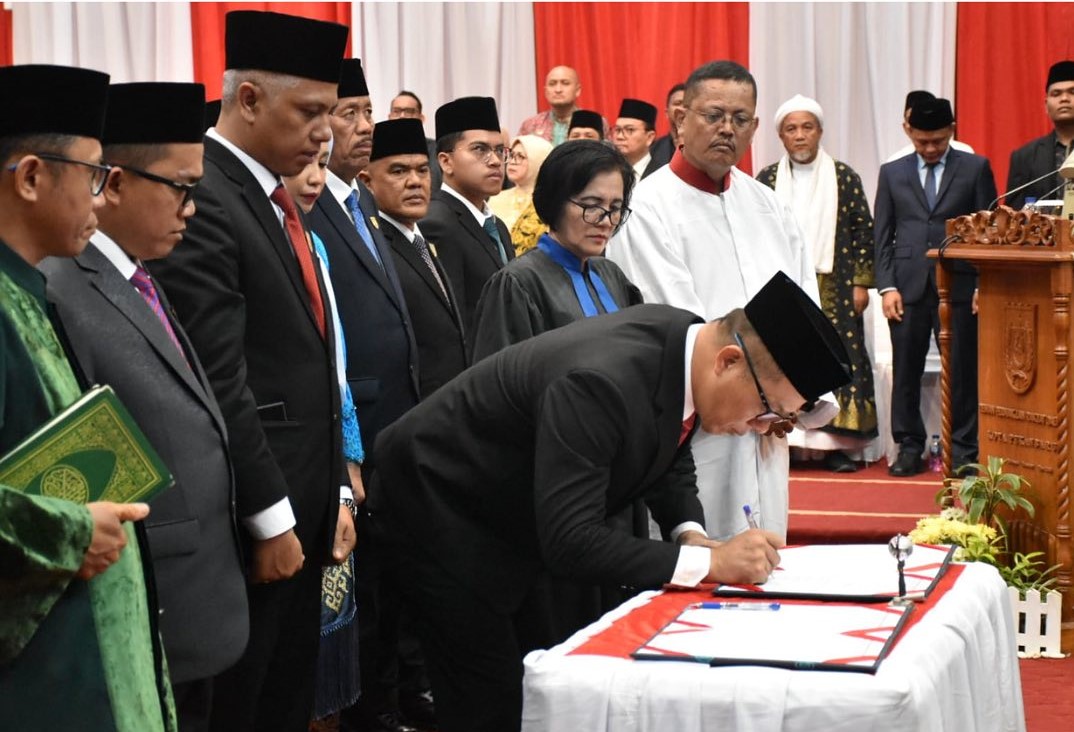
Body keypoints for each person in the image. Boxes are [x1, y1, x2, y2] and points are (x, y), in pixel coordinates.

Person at [367, 271, 852, 732]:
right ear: (728, 361)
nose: (758, 429)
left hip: (517, 507)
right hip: (439, 501)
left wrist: (691, 534)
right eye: (767, 411)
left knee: (550, 674)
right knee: (492, 700)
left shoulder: (685, 346)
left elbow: (668, 440)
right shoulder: (600, 382)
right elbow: (570, 541)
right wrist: (712, 563)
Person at [147, 11, 356, 731]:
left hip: (304, 507)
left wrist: (332, 491)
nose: (325, 133)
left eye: (330, 114)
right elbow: (219, 376)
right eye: (310, 112)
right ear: (249, 99)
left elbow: (308, 365)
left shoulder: (269, 194)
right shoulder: (205, 195)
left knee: (287, 702)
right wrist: (270, 518)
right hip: (252, 518)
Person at [39, 81, 247, 732]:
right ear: (116, 182)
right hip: (144, 589)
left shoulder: (137, 272)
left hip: (195, 591)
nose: (192, 208)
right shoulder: (62, 287)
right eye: (180, 188)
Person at [0, 63, 174, 732]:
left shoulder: (28, 289)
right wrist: (71, 531)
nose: (102, 199)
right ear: (31, 177)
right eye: (94, 174)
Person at [607, 60, 831, 542]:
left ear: (755, 126)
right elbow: (681, 327)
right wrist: (763, 399)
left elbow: (804, 309)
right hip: (699, 432)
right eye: (713, 115)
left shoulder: (770, 206)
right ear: (680, 119)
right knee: (698, 559)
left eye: (740, 118)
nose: (727, 129)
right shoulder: (646, 209)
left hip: (770, 428)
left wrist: (797, 396)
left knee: (764, 555)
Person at [307, 60, 427, 732]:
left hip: (396, 428)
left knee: (392, 583)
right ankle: (367, 712)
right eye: (346, 113)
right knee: (364, 593)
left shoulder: (363, 205)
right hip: (355, 429)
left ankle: (389, 701)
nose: (362, 127)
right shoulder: (310, 204)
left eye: (366, 112)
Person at [279, 138, 365, 725]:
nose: (314, 179)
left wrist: (347, 460)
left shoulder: (316, 245)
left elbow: (337, 363)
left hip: (331, 448)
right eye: (302, 165)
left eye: (322, 166)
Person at [874, 97, 997, 476]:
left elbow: (988, 232)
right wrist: (886, 287)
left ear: (952, 131)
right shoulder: (892, 172)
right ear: (909, 131)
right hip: (907, 286)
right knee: (905, 371)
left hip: (960, 284)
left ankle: (963, 450)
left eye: (938, 141)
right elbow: (883, 235)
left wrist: (982, 284)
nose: (930, 149)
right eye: (922, 141)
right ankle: (909, 447)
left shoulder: (975, 168)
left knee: (961, 371)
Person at [756, 94, 878, 473]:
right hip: (782, 286)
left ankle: (835, 447)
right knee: (787, 357)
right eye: (791, 129)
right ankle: (790, 442)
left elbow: (863, 230)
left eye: (807, 127)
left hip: (835, 286)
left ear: (820, 131)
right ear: (780, 136)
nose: (800, 135)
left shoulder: (844, 176)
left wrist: (862, 283)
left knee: (835, 357)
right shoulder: (766, 180)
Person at [473, 140, 642, 360]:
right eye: (592, 205)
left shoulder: (611, 275)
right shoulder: (519, 284)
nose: (606, 221)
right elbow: (500, 374)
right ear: (555, 201)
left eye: (615, 208)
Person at [363, 118, 467, 400]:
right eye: (398, 171)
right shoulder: (373, 249)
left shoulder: (423, 241)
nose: (415, 182)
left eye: (422, 170)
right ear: (367, 182)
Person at [420, 96, 514, 339]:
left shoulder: (497, 226)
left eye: (500, 150)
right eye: (480, 149)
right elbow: (451, 326)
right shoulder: (437, 224)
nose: (495, 161)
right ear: (446, 162)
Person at [1006, 60, 1074, 210]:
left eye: (1072, 92)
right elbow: (1014, 213)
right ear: (1046, 105)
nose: (1064, 99)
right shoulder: (1024, 157)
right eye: (1056, 94)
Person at [517, 65, 607, 145]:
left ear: (577, 90)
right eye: (552, 84)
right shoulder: (531, 125)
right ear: (545, 91)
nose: (558, 89)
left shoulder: (595, 122)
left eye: (565, 83)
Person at [885, 90, 974, 164]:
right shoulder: (896, 162)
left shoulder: (965, 154)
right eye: (911, 120)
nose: (930, 149)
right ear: (906, 128)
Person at [489, 134, 552, 235]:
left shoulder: (549, 203)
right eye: (511, 155)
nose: (512, 162)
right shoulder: (497, 198)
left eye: (521, 156)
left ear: (538, 161)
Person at [387, 89, 441, 191]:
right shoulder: (375, 151)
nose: (402, 116)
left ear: (421, 118)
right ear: (389, 117)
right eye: (396, 111)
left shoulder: (437, 150)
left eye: (409, 111)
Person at [612, 98, 661, 182]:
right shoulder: (607, 173)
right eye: (617, 130)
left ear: (650, 137)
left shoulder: (662, 175)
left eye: (630, 130)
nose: (620, 136)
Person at [649, 83, 685, 170]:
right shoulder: (653, 150)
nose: (682, 109)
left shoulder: (706, 146)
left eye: (687, 104)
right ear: (667, 113)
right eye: (678, 103)